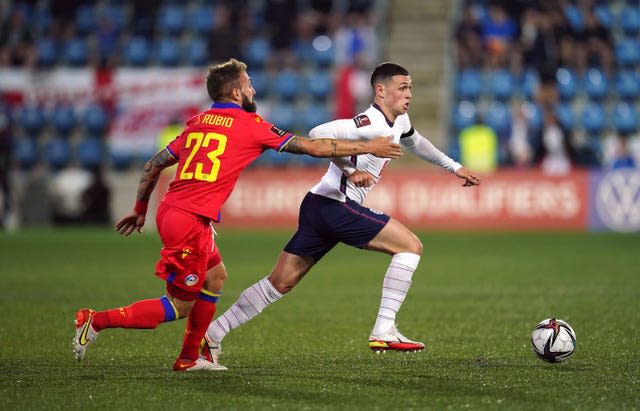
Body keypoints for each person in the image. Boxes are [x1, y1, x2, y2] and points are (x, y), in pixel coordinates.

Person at [72, 58, 402, 372]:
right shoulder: (249, 125)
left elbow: (153, 164)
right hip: (188, 220)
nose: (253, 91)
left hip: (179, 212)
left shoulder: (198, 123)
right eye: (249, 84)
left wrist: (140, 209)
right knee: (178, 305)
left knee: (216, 278)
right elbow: (313, 147)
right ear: (235, 92)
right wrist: (368, 146)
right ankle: (96, 320)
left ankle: (190, 357)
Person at [204, 62, 480, 366]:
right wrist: (351, 166)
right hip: (337, 205)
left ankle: (213, 334)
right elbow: (317, 132)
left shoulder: (399, 121)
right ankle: (384, 328)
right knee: (410, 246)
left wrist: (454, 167)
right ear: (381, 91)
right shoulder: (366, 124)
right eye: (402, 88)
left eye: (410, 88)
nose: (409, 94)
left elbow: (416, 141)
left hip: (318, 204)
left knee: (280, 282)